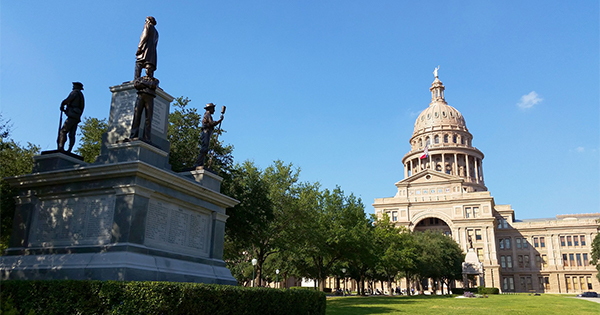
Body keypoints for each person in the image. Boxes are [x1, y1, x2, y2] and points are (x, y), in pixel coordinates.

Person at [129, 76, 159, 142]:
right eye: (147, 68)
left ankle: (146, 137)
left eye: (150, 68)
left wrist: (143, 83)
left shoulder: (155, 80)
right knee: (136, 116)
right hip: (140, 97)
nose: (148, 70)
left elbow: (153, 85)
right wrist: (148, 84)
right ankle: (133, 135)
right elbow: (136, 85)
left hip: (149, 98)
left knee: (148, 118)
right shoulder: (140, 79)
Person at [57, 82, 85, 152]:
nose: (73, 87)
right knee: (72, 134)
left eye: (74, 86)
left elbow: (68, 100)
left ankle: (61, 147)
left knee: (63, 131)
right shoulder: (81, 95)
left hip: (72, 115)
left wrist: (62, 104)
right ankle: (69, 149)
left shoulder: (75, 93)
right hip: (76, 116)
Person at [194, 103, 223, 168]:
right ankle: (198, 163)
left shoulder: (208, 115)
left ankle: (200, 163)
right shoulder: (207, 115)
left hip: (207, 132)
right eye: (213, 109)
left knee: (205, 148)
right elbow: (212, 123)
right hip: (205, 132)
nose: (214, 110)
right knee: (204, 148)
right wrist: (220, 120)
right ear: (210, 109)